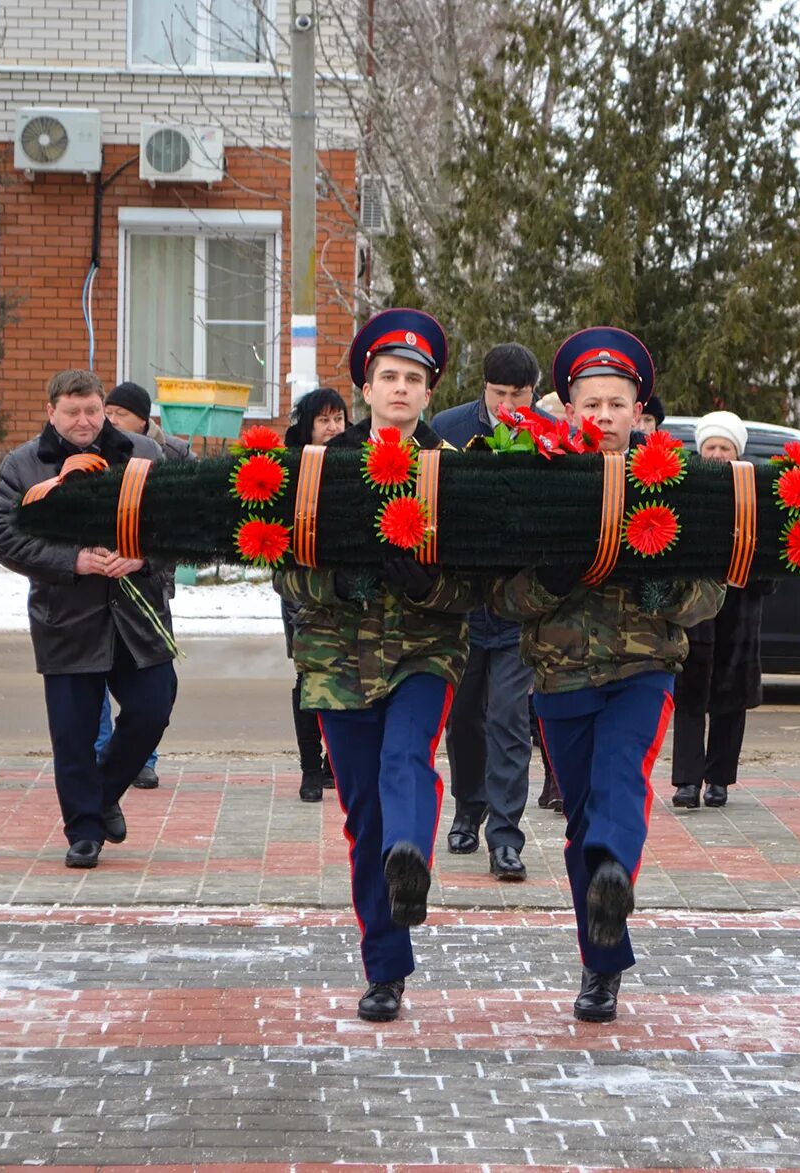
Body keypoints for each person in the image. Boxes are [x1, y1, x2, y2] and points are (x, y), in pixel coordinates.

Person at [493, 327, 725, 1023]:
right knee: (581, 823)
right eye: (589, 401)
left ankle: (616, 870)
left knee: (622, 778)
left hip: (642, 667)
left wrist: (667, 595)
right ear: (568, 409)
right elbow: (503, 597)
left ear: (638, 411)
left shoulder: (679, 483)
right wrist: (552, 580)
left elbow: (710, 592)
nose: (602, 413)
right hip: (561, 676)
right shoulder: (535, 479)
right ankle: (602, 961)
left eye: (615, 402)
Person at [274, 309, 477, 1024]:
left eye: (413, 379)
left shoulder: (458, 470)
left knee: (407, 756)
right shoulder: (322, 470)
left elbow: (478, 581)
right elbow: (287, 569)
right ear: (365, 386)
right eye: (388, 376)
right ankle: (385, 968)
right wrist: (339, 581)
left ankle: (411, 858)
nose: (399, 388)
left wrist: (427, 585)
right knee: (362, 812)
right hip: (336, 662)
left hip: (425, 651)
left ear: (429, 392)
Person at [0, 369, 176, 869]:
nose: (84, 421)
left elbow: (178, 523)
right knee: (72, 734)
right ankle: (83, 832)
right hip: (65, 618)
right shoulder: (24, 464)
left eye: (92, 410)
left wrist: (142, 556)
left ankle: (103, 791)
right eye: (72, 412)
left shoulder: (143, 455)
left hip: (137, 615)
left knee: (154, 706)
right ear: (51, 412)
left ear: (104, 408)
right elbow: (5, 538)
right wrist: (73, 560)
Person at [431, 343, 543, 879]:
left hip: (519, 605)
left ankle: (505, 835)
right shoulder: (447, 429)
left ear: (533, 393)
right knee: (464, 717)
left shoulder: (550, 437)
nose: (506, 406)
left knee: (509, 719)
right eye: (497, 395)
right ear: (483, 387)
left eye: (517, 396)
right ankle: (467, 807)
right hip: (463, 603)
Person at [97, 380, 197, 790]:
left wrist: (154, 562)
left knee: (155, 683)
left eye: (119, 414)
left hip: (150, 584)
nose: (110, 421)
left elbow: (187, 523)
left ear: (142, 418)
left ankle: (143, 758)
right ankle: (104, 752)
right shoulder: (94, 448)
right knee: (95, 674)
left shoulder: (172, 453)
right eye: (108, 412)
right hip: (98, 583)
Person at [673, 410, 772, 810]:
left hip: (740, 610)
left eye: (724, 448)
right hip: (694, 611)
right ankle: (685, 782)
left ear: (738, 452)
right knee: (690, 697)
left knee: (731, 699)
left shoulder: (753, 493)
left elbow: (770, 555)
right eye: (710, 447)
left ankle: (718, 780)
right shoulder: (687, 491)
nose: (717, 454)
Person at [281, 386, 350, 802]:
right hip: (301, 583)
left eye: (338, 419)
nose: (333, 428)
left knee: (347, 675)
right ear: (308, 426)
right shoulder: (290, 468)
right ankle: (310, 767)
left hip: (347, 586)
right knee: (308, 676)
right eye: (323, 420)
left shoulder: (357, 459)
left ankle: (333, 765)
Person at [104, 380, 194, 462]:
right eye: (108, 413)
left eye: (121, 414)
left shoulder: (176, 451)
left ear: (143, 420)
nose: (112, 420)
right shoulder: (97, 443)